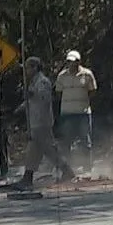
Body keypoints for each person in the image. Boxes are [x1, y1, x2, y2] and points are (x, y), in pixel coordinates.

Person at [14, 56, 74, 190]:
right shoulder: (33, 82)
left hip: (42, 122)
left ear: (35, 67)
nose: (27, 71)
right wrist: (21, 107)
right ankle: (64, 170)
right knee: (41, 150)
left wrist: (31, 93)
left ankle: (29, 177)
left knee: (41, 149)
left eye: (29, 67)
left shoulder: (42, 82)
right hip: (35, 122)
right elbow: (31, 100)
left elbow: (44, 98)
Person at [55, 50, 97, 174]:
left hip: (83, 113)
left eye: (73, 61)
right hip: (67, 114)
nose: (70, 64)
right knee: (66, 141)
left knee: (85, 141)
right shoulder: (62, 76)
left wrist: (83, 102)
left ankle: (87, 168)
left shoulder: (87, 74)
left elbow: (93, 91)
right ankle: (67, 169)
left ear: (78, 62)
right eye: (68, 62)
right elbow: (58, 92)